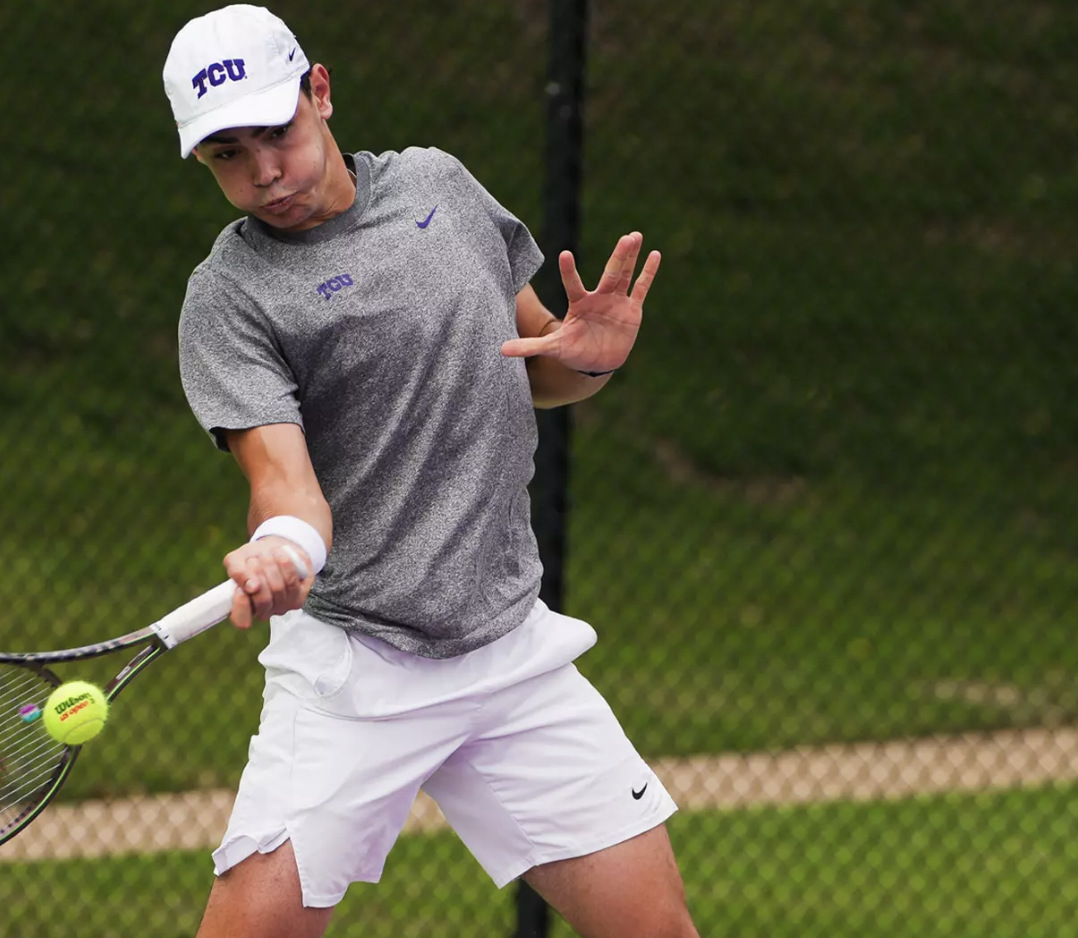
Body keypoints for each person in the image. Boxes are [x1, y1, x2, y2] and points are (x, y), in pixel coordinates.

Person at [163, 6, 699, 937]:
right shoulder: (230, 297)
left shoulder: (439, 187)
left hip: (508, 648)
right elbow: (283, 481)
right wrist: (278, 549)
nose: (264, 173)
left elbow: (533, 369)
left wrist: (595, 356)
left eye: (276, 132)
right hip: (356, 672)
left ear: (320, 91)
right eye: (226, 156)